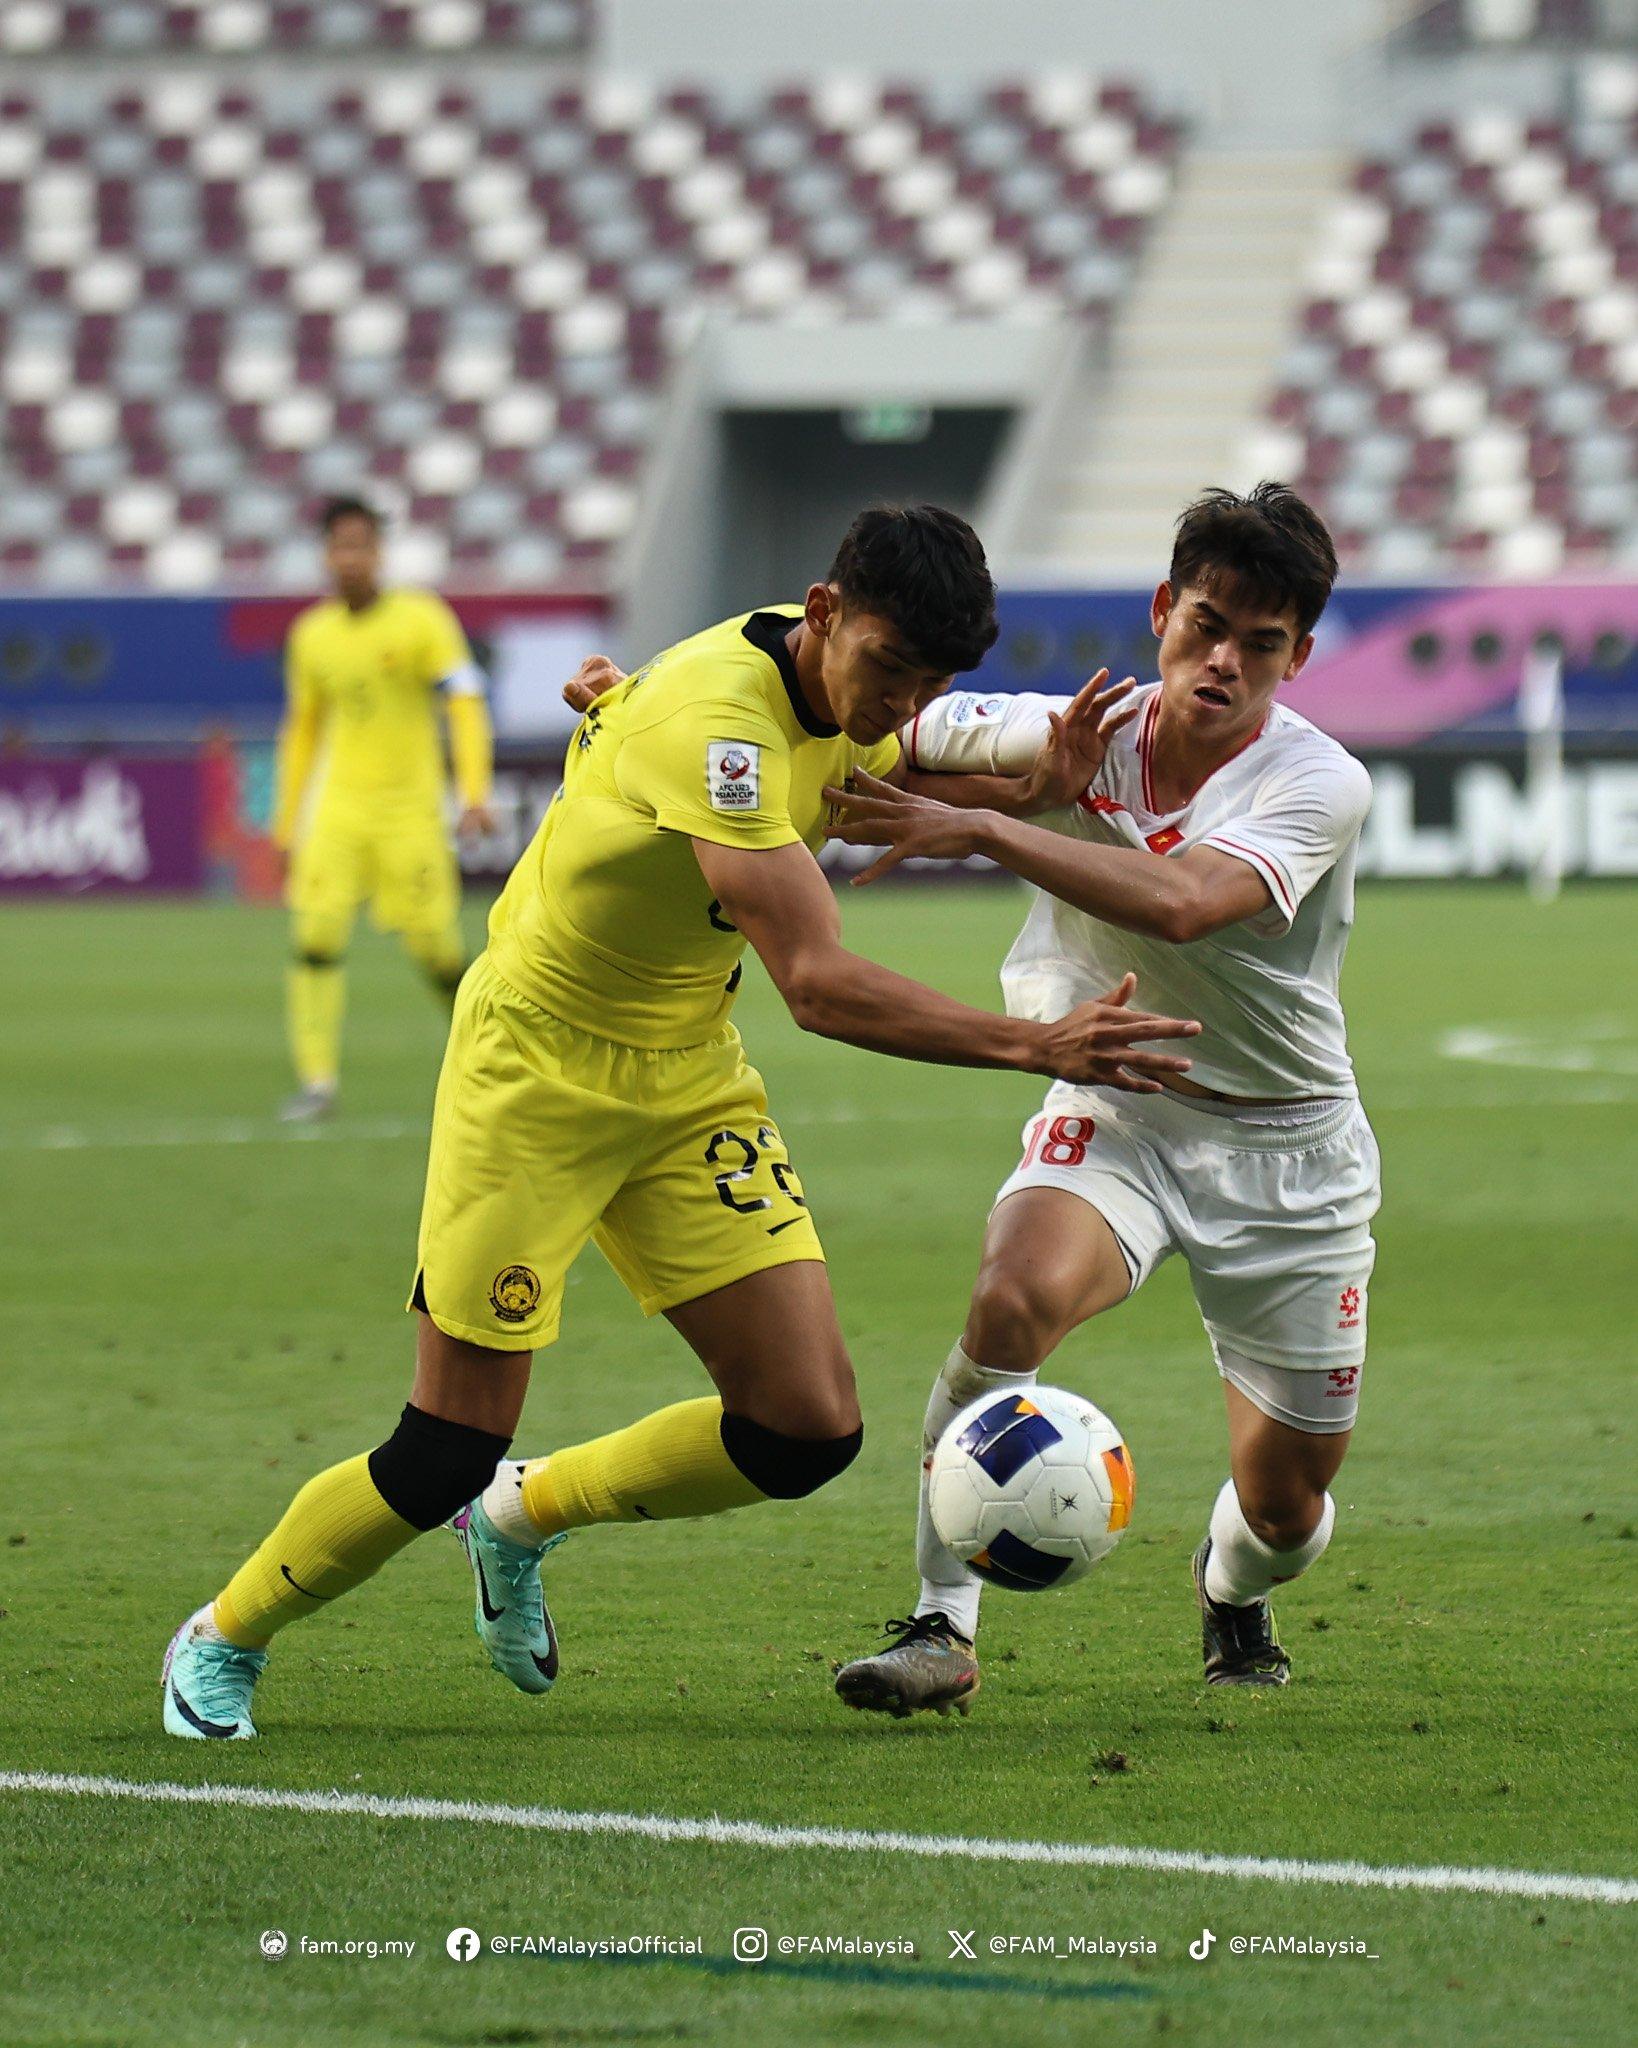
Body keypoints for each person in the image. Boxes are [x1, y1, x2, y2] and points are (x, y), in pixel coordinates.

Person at [161, 503, 1199, 1740]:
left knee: (803, 1427)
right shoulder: (718, 725)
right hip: (536, 1071)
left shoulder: (815, 677)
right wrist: (1038, 1042)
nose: (902, 703)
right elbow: (817, 982)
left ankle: (521, 1513)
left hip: (687, 1068)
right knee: (444, 1441)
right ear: (825, 612)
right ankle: (221, 1635)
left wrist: (1032, 792)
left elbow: (878, 786)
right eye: (889, 668)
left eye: (930, 682)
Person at [825, 484, 1380, 1713]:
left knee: (1286, 1505)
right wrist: (645, 704)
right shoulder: (1068, 726)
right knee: (1010, 1295)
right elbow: (842, 709)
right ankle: (940, 1625)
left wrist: (992, 825)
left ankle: (1229, 1582)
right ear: (1163, 610)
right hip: (1121, 1100)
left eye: (1262, 643)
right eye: (1206, 625)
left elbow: (1184, 903)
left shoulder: (1319, 782)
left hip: (1289, 1149)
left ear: (1298, 657)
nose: (1223, 661)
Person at [272, 496, 495, 1123]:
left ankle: (491, 1061)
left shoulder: (422, 619)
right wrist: (287, 823)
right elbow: (302, 730)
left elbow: (464, 702)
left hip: (410, 812)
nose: (351, 559)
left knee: (437, 951)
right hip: (339, 810)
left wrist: (473, 791)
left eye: (362, 546)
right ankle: (317, 1082)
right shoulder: (311, 635)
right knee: (315, 936)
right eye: (340, 546)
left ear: (380, 552)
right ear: (325, 554)